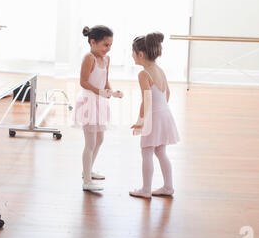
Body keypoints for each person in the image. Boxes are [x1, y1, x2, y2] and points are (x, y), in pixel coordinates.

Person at [73, 25, 124, 191]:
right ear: (93, 42)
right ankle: (86, 181)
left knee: (100, 139)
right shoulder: (89, 58)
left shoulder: (106, 59)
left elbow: (105, 79)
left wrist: (111, 91)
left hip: (100, 102)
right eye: (105, 45)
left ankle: (87, 171)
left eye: (110, 45)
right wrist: (100, 92)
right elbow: (84, 82)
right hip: (89, 102)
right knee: (90, 142)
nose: (108, 49)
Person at [130, 32, 180, 198]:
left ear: (141, 54)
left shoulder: (143, 74)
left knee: (146, 152)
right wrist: (161, 109)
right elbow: (168, 93)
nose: (132, 56)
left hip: (153, 117)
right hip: (165, 114)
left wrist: (140, 121)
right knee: (161, 152)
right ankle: (168, 186)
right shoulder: (160, 70)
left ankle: (146, 189)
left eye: (133, 53)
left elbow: (146, 101)